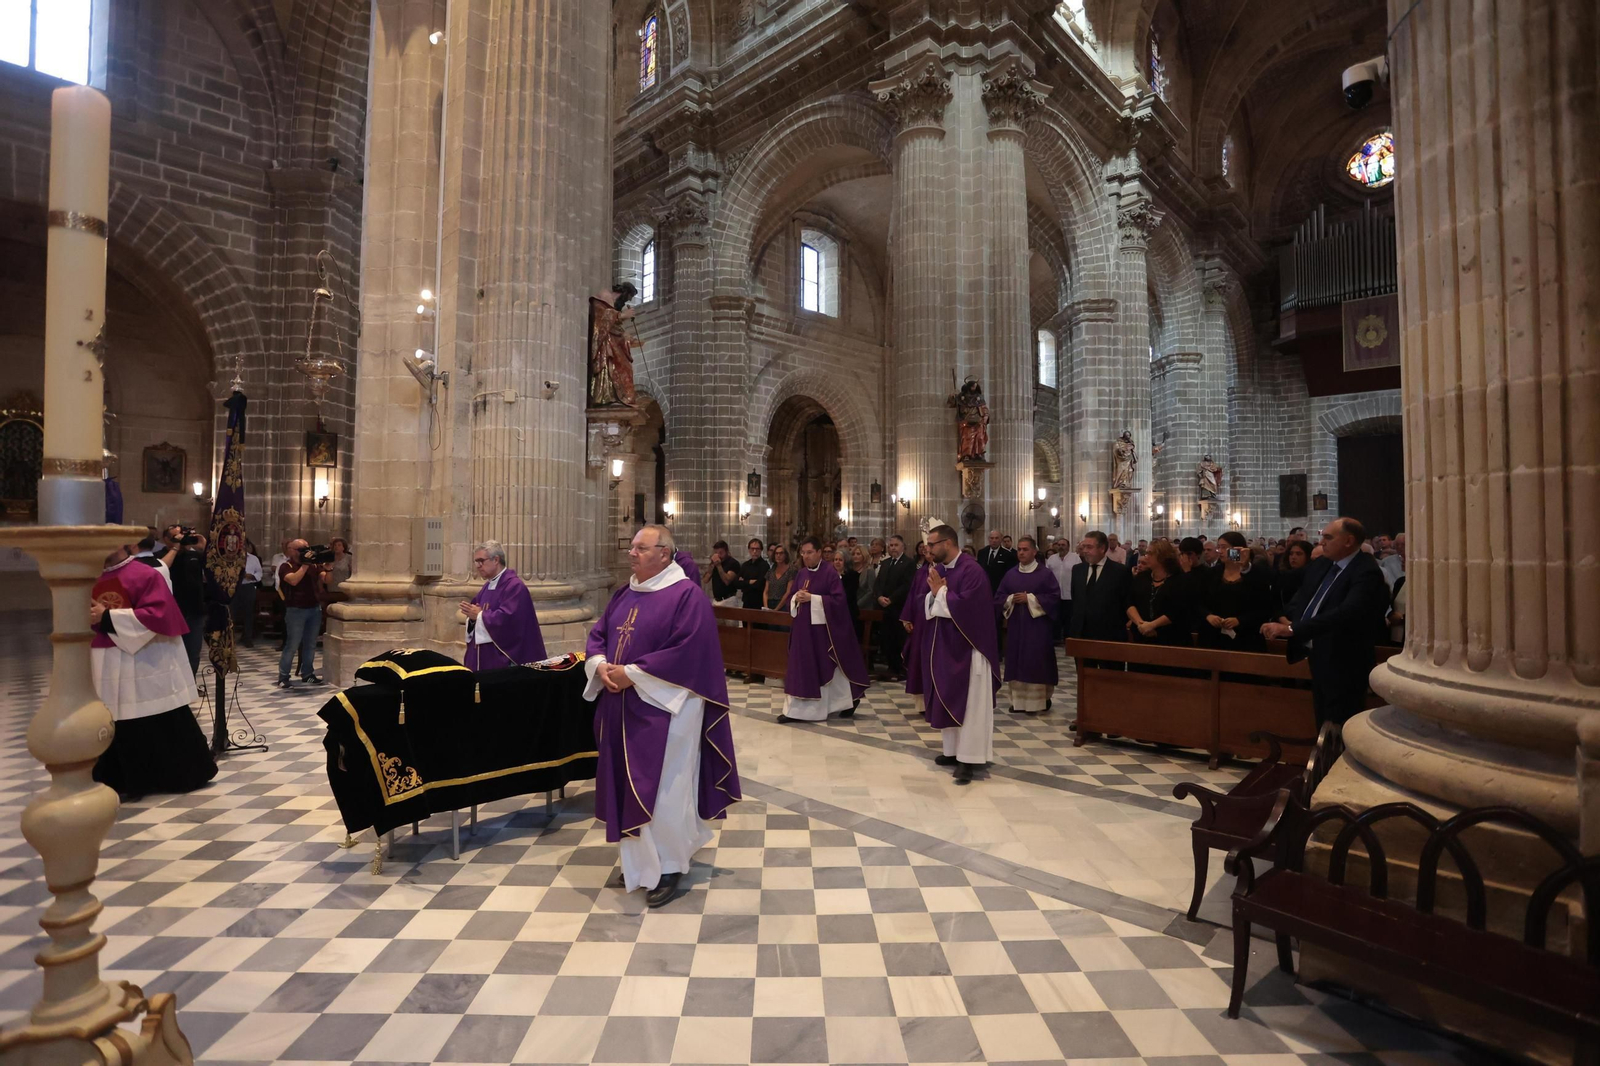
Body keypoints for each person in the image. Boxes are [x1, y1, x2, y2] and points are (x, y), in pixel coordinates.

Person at [584, 525, 741, 907]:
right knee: (628, 782)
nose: (632, 553)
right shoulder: (625, 593)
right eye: (632, 547)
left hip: (668, 710)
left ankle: (670, 865)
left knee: (666, 789)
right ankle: (638, 863)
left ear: (665, 553)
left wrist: (632, 674)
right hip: (623, 707)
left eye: (641, 547)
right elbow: (600, 634)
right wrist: (601, 665)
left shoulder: (687, 596)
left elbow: (688, 652)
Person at [89, 543, 217, 799]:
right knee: (115, 715)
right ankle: (120, 778)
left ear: (125, 543)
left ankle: (170, 777)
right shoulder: (90, 576)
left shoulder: (146, 573)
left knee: (152, 715)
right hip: (107, 656)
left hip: (146, 659)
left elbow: (157, 616)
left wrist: (107, 618)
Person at [1262, 517, 1390, 728]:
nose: (1322, 542)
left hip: (1345, 660)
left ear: (1348, 541)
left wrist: (1294, 629)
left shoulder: (1366, 571)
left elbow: (1347, 612)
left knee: (1340, 724)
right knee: (1322, 721)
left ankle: (1339, 760)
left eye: (1329, 538)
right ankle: (1326, 760)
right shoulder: (1323, 564)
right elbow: (1283, 580)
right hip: (1319, 654)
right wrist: (1247, 566)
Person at [920, 524, 1000, 784]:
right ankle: (953, 752)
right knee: (949, 696)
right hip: (947, 646)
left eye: (932, 545)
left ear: (948, 543)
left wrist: (940, 593)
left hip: (970, 648)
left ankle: (970, 758)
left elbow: (969, 607)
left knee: (971, 704)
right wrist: (935, 595)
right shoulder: (941, 570)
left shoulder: (972, 570)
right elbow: (929, 602)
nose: (928, 550)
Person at [778, 537, 870, 723]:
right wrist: (797, 597)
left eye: (810, 552)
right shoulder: (801, 573)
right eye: (803, 553)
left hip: (822, 633)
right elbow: (791, 598)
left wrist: (813, 598)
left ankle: (847, 701)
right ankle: (794, 710)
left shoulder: (830, 573)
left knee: (826, 668)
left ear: (819, 553)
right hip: (802, 632)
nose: (806, 556)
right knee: (801, 669)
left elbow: (838, 601)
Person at [994, 537, 1059, 714]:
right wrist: (1011, 599)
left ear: (1034, 552)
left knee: (1036, 661)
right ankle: (1018, 702)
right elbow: (999, 597)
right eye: (1019, 550)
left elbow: (1054, 597)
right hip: (1016, 628)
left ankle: (1038, 702)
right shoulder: (1011, 574)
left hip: (1037, 628)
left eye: (1025, 549)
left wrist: (1030, 599)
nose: (1021, 553)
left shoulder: (1045, 574)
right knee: (1016, 661)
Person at [459, 540, 548, 669]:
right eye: (475, 562)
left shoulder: (515, 586)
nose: (477, 566)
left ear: (496, 560)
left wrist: (479, 616)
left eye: (481, 561)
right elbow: (476, 613)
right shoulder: (487, 586)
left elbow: (508, 620)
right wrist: (473, 618)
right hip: (485, 654)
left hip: (504, 658)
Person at [1197, 539, 1274, 652]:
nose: (1221, 551)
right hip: (1215, 635)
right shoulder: (1212, 573)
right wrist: (1208, 616)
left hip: (1246, 636)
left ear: (1239, 550)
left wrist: (1240, 620)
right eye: (1219, 547)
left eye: (1224, 547)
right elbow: (1198, 601)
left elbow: (1263, 606)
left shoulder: (1254, 573)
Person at [277, 539, 328, 689]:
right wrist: (305, 564)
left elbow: (326, 579)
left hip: (314, 609)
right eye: (301, 549)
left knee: (310, 644)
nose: (305, 551)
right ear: (291, 550)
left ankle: (308, 674)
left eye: (306, 548)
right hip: (295, 610)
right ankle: (283, 676)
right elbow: (293, 581)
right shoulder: (286, 566)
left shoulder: (313, 566)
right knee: (292, 644)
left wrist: (329, 567)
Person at [1069, 531, 1133, 645]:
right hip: (1081, 633)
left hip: (1110, 634)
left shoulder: (1119, 571)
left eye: (1089, 547)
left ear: (1102, 548)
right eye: (1083, 547)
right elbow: (1076, 598)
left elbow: (1126, 601)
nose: (1085, 551)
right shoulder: (1078, 570)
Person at [163, 525, 208, 674]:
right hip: (173, 609)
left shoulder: (194, 555)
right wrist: (175, 549)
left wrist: (204, 546)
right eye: (176, 537)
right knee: (172, 652)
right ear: (166, 540)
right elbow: (160, 570)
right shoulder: (163, 554)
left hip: (195, 610)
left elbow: (213, 569)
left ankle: (192, 686)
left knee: (193, 652)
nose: (182, 540)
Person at [1126, 541, 1190, 647]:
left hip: (1171, 638)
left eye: (1150, 553)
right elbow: (1129, 602)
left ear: (1163, 556)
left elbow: (1178, 610)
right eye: (1146, 553)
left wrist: (1152, 625)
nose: (1146, 557)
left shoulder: (1180, 580)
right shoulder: (1142, 577)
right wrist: (1141, 624)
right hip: (1141, 635)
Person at [874, 535, 914, 680]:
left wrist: (891, 599)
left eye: (896, 545)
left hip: (899, 607)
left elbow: (906, 585)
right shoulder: (885, 563)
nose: (893, 548)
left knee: (899, 639)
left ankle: (901, 669)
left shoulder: (908, 563)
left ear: (903, 546)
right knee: (886, 639)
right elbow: (878, 583)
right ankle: (891, 667)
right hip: (885, 609)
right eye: (891, 545)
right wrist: (879, 597)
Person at [1045, 537, 1080, 637]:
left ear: (1068, 546)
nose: (1061, 547)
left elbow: (1079, 575)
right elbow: (1047, 575)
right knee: (1056, 618)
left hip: (1069, 594)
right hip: (1055, 595)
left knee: (1068, 619)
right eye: (1059, 545)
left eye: (1063, 545)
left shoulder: (1075, 558)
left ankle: (1067, 639)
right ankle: (1056, 638)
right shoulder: (1052, 559)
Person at [231, 538, 262, 648]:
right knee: (232, 613)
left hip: (248, 586)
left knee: (248, 613)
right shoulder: (231, 557)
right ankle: (231, 639)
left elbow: (259, 572)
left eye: (244, 545)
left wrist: (252, 576)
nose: (242, 547)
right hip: (234, 587)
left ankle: (247, 638)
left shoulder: (254, 559)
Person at [1275, 538, 1315, 615]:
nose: (1293, 557)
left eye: (1299, 554)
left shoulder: (1311, 578)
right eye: (1291, 554)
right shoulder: (1282, 575)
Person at [738, 538, 769, 609]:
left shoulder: (764, 565)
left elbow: (759, 584)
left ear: (761, 550)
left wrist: (744, 582)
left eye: (757, 549)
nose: (754, 551)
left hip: (758, 601)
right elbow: (736, 583)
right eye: (752, 549)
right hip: (746, 601)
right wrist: (749, 582)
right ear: (749, 550)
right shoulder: (745, 565)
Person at [709, 541, 741, 606]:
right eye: (716, 553)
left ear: (726, 551)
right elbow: (705, 580)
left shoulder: (733, 563)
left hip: (728, 599)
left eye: (721, 553)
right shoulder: (714, 564)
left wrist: (719, 566)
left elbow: (727, 581)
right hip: (716, 600)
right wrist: (711, 566)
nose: (718, 555)